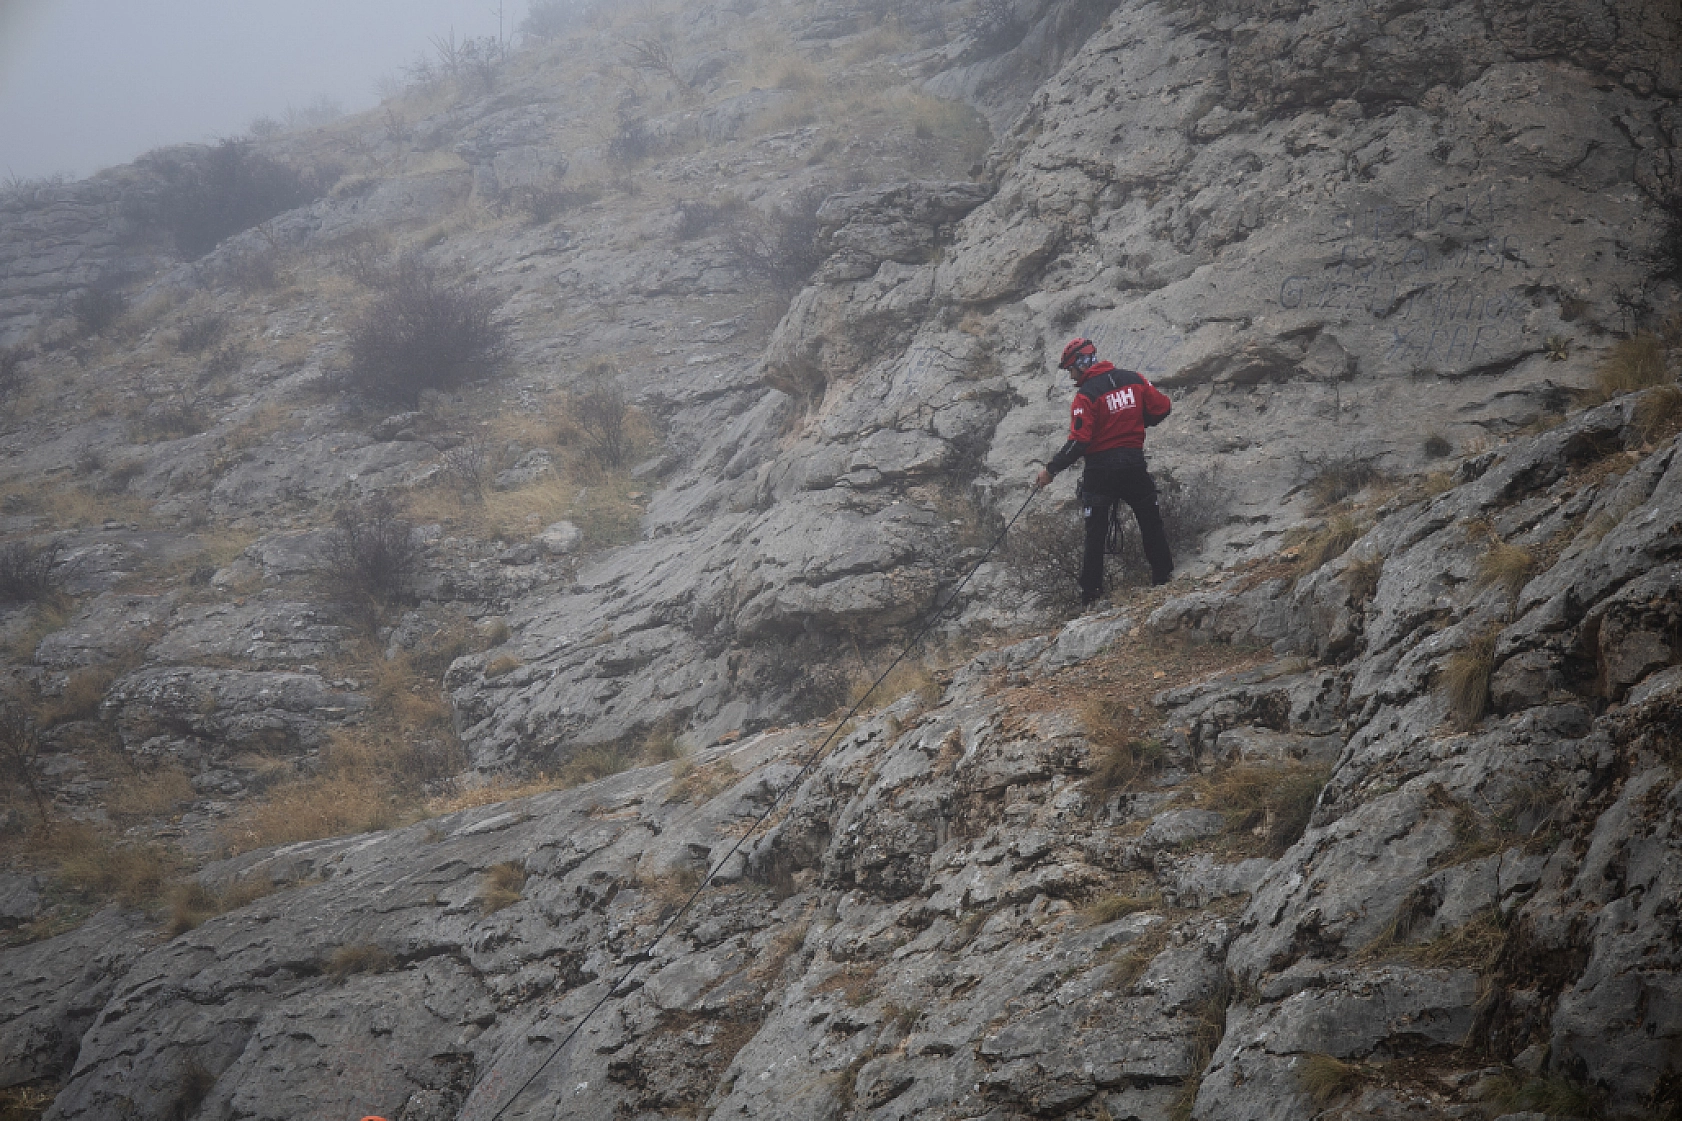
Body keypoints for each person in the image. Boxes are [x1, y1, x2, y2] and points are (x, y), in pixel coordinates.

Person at [1032, 337, 1174, 603]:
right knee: (1150, 522)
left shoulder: (1086, 396)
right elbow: (1162, 408)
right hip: (1134, 463)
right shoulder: (1135, 379)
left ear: (1080, 364)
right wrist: (1135, 421)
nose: (1071, 375)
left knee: (1095, 534)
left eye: (1070, 369)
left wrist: (1051, 470)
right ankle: (1164, 579)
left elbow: (1079, 441)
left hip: (1100, 471)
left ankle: (1091, 596)